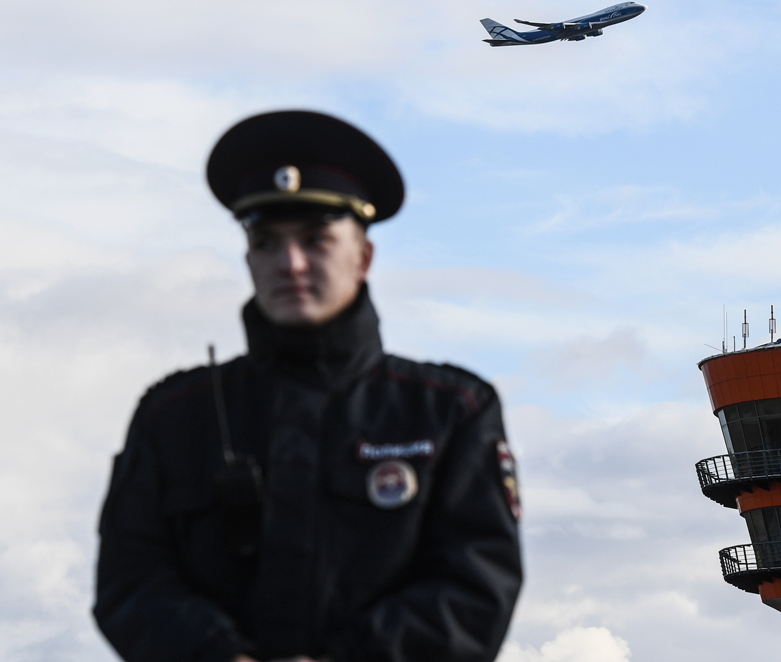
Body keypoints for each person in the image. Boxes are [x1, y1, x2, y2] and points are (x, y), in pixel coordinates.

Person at [93, 111, 523, 662]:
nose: (290, 264)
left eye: (316, 240)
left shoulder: (449, 412)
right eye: (268, 243)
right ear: (248, 259)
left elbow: (475, 588)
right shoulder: (173, 417)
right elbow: (130, 583)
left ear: (363, 257)